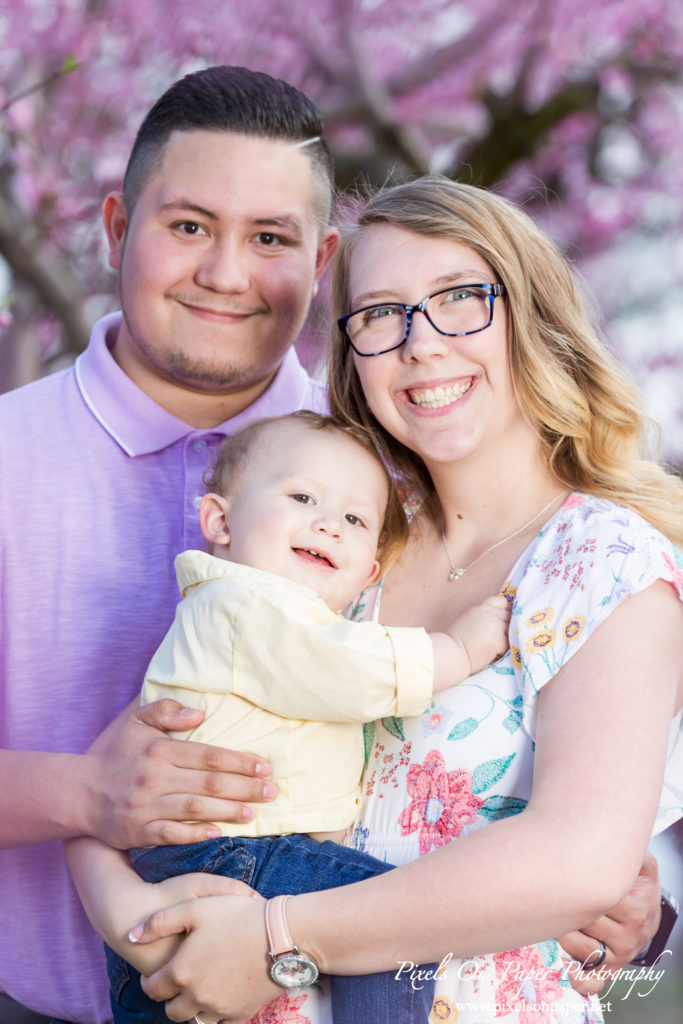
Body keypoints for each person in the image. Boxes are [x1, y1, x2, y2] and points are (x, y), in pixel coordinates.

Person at [77, 176, 683, 1024]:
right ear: (352, 354)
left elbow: (577, 861)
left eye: (460, 300)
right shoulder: (345, 549)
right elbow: (111, 785)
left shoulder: (602, 562)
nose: (420, 344)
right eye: (381, 315)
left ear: (530, 316)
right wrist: (137, 920)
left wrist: (274, 937)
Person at [0, 64, 341, 1024]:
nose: (226, 275)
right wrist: (80, 793)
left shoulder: (389, 481)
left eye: (270, 238)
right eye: (188, 226)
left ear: (320, 264)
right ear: (116, 228)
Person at [104, 409, 511, 1023]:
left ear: (368, 573)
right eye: (302, 496)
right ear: (219, 520)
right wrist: (456, 649)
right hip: (231, 850)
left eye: (354, 519)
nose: (329, 524)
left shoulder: (282, 617)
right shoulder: (241, 602)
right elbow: (347, 670)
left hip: (212, 853)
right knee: (391, 924)